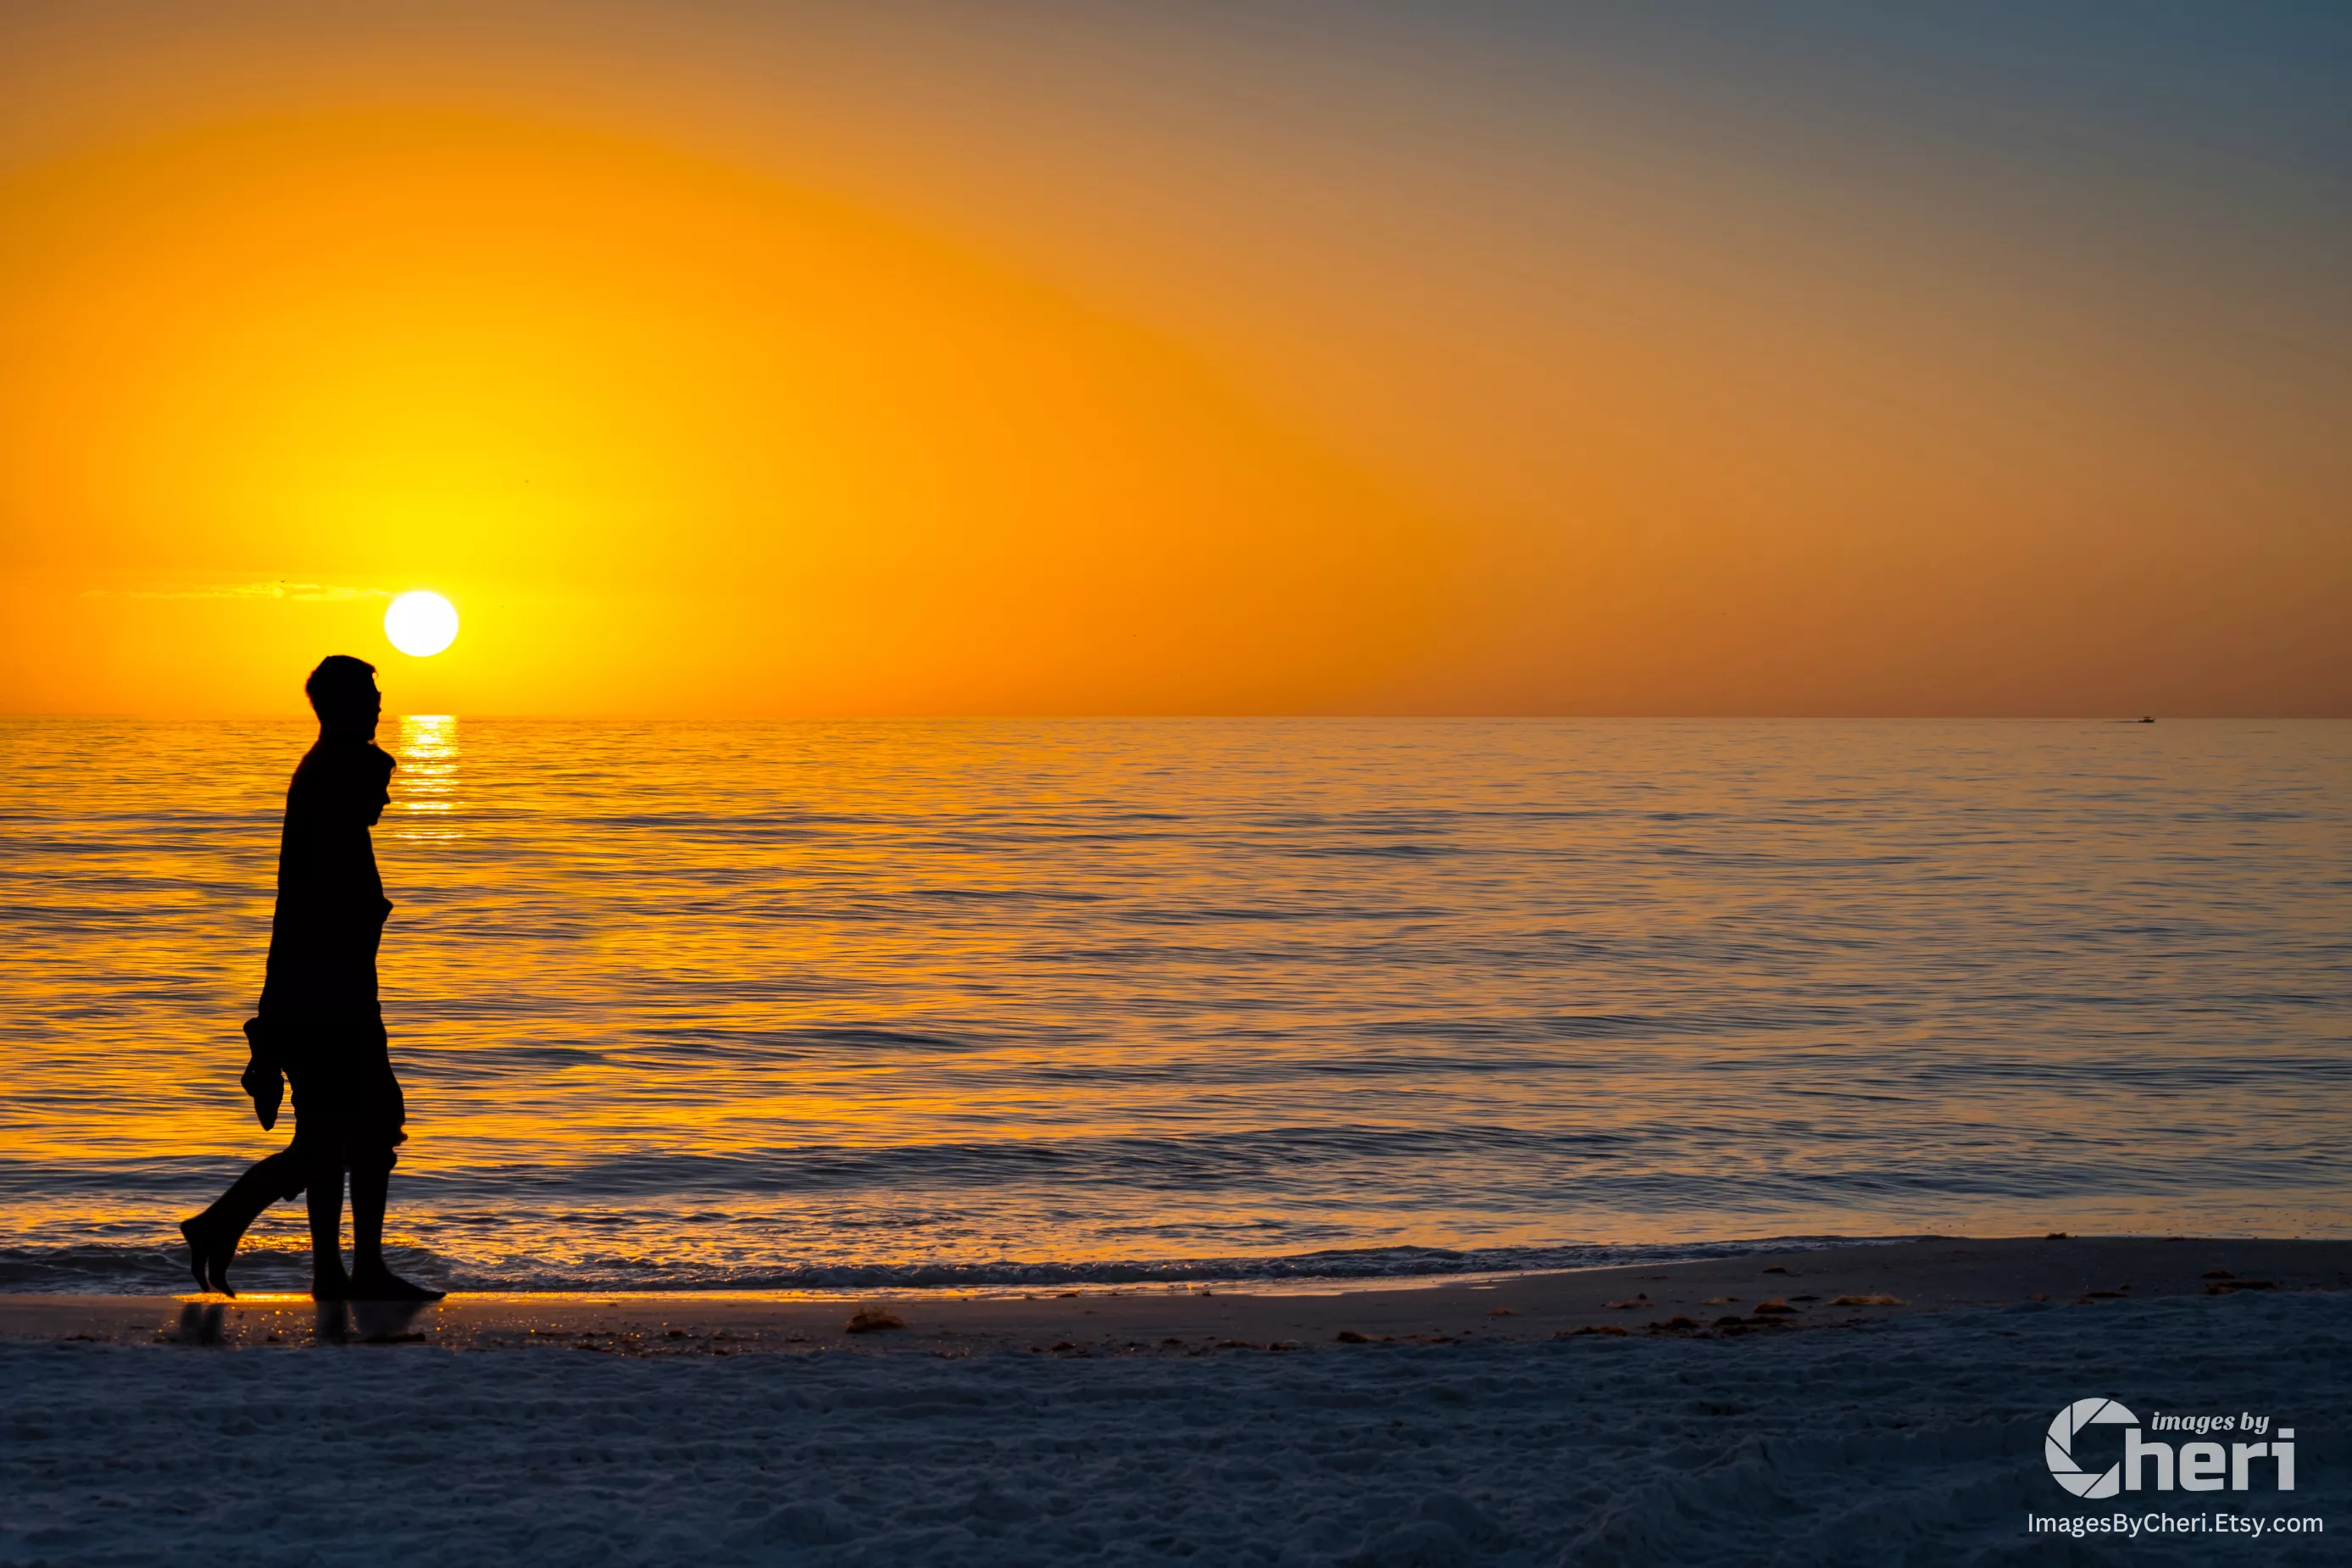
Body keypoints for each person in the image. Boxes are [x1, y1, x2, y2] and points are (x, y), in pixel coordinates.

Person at [179, 656, 443, 1301]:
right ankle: (230, 1225)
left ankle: (330, 1271)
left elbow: (293, 916)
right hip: (331, 1001)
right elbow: (306, 919)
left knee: (331, 1137)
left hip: (324, 996)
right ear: (341, 706)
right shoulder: (333, 778)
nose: (387, 790)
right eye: (370, 699)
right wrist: (278, 1021)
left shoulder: (323, 790)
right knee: (368, 1129)